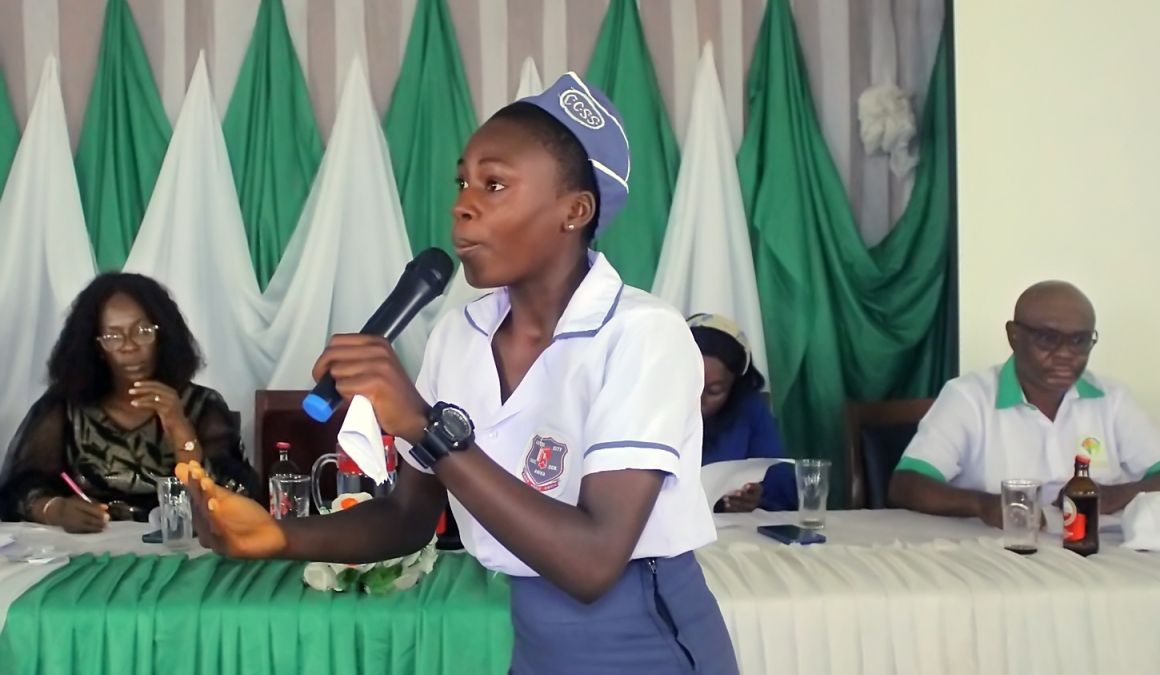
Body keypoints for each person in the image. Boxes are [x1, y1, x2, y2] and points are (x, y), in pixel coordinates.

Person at [178, 73, 739, 674]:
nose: (462, 204)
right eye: (462, 181)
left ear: (574, 211)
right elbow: (408, 514)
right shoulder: (459, 336)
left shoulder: (641, 333)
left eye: (494, 184)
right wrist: (280, 537)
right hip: (538, 643)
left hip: (644, 637)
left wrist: (423, 426)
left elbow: (593, 563)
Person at [889, 281, 1160, 527]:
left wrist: (1113, 496)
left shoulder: (1111, 399)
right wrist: (984, 504)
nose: (1065, 353)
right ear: (1014, 336)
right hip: (997, 553)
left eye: (1079, 340)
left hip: (1098, 555)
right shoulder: (968, 397)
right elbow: (907, 485)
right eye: (1048, 339)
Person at [0, 273, 259, 531]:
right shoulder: (65, 407)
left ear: (163, 336)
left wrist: (179, 426)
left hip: (183, 547)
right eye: (113, 336)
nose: (129, 346)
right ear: (96, 347)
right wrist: (54, 510)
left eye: (143, 331)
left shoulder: (203, 404)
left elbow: (237, 496)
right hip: (92, 551)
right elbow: (19, 490)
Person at [688, 313, 796, 512]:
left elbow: (780, 482)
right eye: (691, 385)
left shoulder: (749, 411)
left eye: (714, 391)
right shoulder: (644, 403)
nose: (698, 400)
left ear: (734, 388)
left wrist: (756, 498)